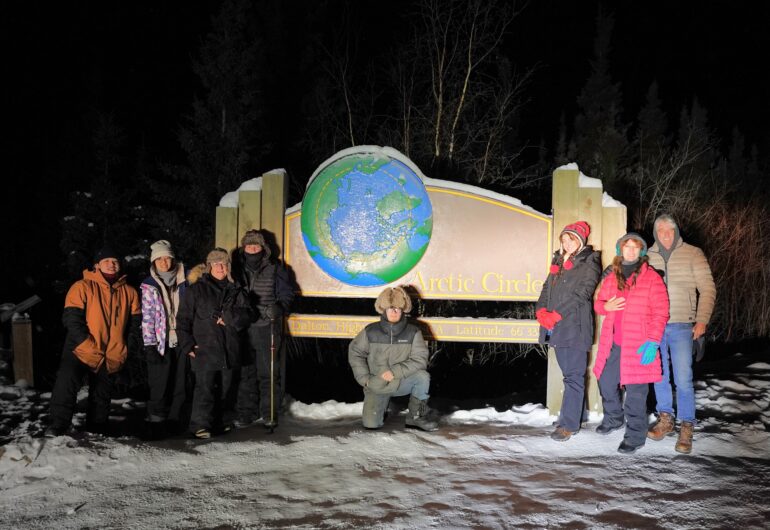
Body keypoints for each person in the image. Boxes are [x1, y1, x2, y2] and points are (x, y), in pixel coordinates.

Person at [46, 247, 141, 437]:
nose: (112, 264)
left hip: (111, 352)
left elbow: (135, 324)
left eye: (115, 261)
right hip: (80, 349)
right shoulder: (82, 286)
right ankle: (57, 427)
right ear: (97, 265)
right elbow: (72, 319)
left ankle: (96, 430)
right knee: (66, 387)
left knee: (101, 395)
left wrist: (126, 347)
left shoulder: (130, 292)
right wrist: (85, 343)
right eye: (107, 261)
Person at [593, 233, 669, 454]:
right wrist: (605, 308)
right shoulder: (612, 276)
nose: (631, 250)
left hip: (639, 344)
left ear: (642, 252)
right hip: (614, 343)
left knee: (636, 392)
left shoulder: (651, 277)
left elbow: (661, 312)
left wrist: (653, 341)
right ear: (621, 250)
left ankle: (635, 435)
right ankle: (614, 418)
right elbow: (599, 303)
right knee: (606, 382)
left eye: (636, 247)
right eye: (627, 246)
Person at [646, 214, 716, 454]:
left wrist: (702, 320)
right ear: (655, 233)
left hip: (682, 325)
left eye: (669, 230)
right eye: (661, 230)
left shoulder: (693, 253)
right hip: (655, 325)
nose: (665, 234)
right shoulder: (648, 256)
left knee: (684, 378)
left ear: (676, 231)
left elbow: (707, 288)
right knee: (659, 374)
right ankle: (665, 418)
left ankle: (687, 424)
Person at [176, 248, 253, 439]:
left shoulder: (237, 289)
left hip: (229, 347)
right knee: (205, 388)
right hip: (204, 348)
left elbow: (249, 314)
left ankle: (218, 423)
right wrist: (187, 344)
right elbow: (183, 319)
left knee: (226, 388)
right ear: (209, 266)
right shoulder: (196, 290)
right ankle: (199, 425)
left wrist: (229, 318)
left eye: (224, 264)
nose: (220, 267)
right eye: (216, 264)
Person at [535, 221, 601, 441]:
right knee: (569, 375)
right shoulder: (559, 261)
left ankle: (569, 425)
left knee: (573, 376)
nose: (566, 243)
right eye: (563, 239)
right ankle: (572, 415)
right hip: (558, 328)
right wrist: (541, 310)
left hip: (575, 327)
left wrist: (556, 314)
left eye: (570, 239)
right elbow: (547, 288)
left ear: (580, 240)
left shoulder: (590, 262)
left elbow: (582, 293)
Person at [348, 286, 438, 432]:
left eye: (398, 308)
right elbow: (355, 353)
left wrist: (395, 372)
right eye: (390, 308)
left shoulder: (413, 332)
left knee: (422, 377)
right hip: (377, 384)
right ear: (383, 310)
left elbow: (420, 359)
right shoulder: (370, 331)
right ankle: (381, 407)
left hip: (401, 381)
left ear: (403, 310)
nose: (394, 311)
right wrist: (365, 379)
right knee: (371, 424)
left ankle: (416, 417)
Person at [230, 229, 294, 429]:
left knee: (268, 373)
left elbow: (287, 295)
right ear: (244, 248)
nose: (252, 249)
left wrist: (280, 307)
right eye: (249, 246)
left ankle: (269, 413)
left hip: (267, 327)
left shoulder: (276, 269)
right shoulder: (235, 269)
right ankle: (245, 412)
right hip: (243, 328)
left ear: (263, 248)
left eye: (256, 246)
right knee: (246, 373)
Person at [140, 240, 190, 438]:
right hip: (160, 341)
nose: (164, 262)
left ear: (173, 259)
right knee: (160, 383)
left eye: (167, 257)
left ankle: (175, 420)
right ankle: (156, 421)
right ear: (153, 262)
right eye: (159, 258)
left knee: (180, 382)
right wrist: (149, 344)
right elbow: (148, 317)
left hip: (183, 338)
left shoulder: (186, 280)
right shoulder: (149, 285)